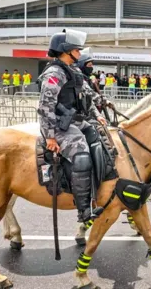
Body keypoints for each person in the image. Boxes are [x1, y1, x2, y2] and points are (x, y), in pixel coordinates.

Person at [37, 29, 109, 224]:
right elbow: (45, 107)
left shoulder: (74, 71)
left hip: (77, 121)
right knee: (82, 154)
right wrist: (50, 137)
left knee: (101, 142)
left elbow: (86, 96)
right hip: (59, 126)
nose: (79, 53)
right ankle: (84, 208)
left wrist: (97, 115)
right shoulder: (54, 74)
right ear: (65, 51)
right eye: (76, 50)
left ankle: (98, 190)